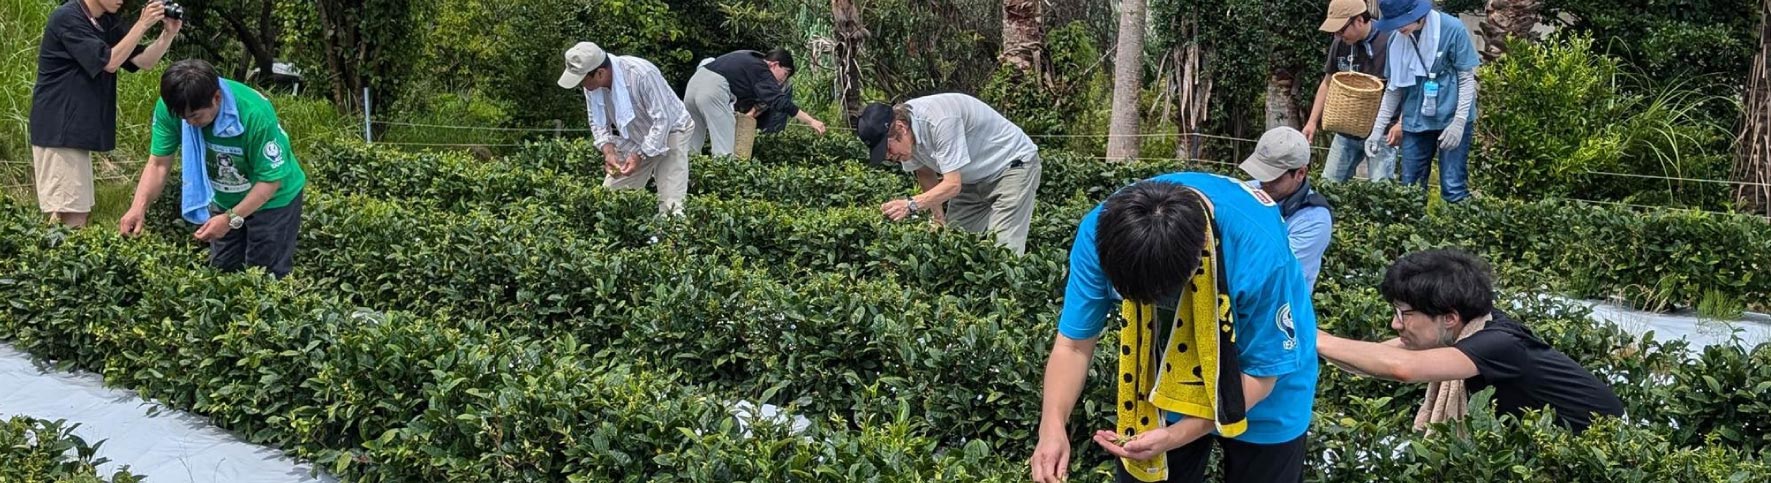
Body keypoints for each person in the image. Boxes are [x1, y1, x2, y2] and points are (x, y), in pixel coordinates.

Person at [1030, 173, 1318, 482]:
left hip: (1265, 386)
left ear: (1197, 264)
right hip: (1169, 380)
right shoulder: (1099, 236)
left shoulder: (1258, 253)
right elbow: (1073, 346)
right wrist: (1052, 426)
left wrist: (1174, 436)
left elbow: (1262, 375)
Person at [1316, 249, 1626, 433]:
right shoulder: (1468, 327)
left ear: (1449, 317)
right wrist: (1310, 341)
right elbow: (1377, 360)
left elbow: (1403, 368)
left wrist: (1309, 338)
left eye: (1404, 314)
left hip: (1597, 439)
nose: (1394, 324)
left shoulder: (1498, 344)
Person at [119, 60, 307, 279]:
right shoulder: (173, 107)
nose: (188, 124)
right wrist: (138, 207)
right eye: (183, 118)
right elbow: (158, 164)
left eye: (195, 116)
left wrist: (230, 219)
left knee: (265, 277)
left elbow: (270, 182)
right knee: (222, 273)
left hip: (275, 200)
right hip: (222, 196)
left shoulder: (254, 114)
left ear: (217, 98)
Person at [29, 0, 181, 227]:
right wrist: (142, 24)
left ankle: (53, 259)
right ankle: (56, 262)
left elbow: (142, 61)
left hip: (76, 132)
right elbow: (109, 61)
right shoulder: (68, 18)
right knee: (71, 215)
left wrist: (167, 35)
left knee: (70, 213)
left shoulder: (105, 21)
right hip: (59, 129)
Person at [854, 94, 1041, 255]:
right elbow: (925, 173)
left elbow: (952, 184)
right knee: (956, 247)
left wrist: (910, 205)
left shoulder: (940, 120)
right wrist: (938, 219)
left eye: (887, 148)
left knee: (1003, 254)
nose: (889, 156)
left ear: (901, 128)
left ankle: (1009, 295)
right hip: (972, 177)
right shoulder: (906, 142)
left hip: (1012, 166)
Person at [556, 42, 694, 216]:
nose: (582, 85)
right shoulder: (591, 86)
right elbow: (597, 121)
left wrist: (640, 155)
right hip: (635, 135)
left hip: (673, 130)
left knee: (670, 202)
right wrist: (608, 151)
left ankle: (671, 238)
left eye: (583, 80)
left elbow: (663, 119)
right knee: (610, 198)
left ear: (600, 73)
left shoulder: (641, 74)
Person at [1366, 0, 1481, 202]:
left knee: (1453, 187)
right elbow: (1393, 90)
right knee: (1410, 188)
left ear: (1418, 14)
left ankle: (1458, 231)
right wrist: (1376, 132)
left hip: (1451, 116)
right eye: (1394, 22)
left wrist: (1459, 122)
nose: (1399, 27)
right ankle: (1411, 232)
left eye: (1403, 21)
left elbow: (1466, 78)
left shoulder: (1452, 29)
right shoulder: (1396, 40)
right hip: (1416, 119)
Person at [1303, 0, 1396, 182]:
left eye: (1341, 29)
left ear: (1360, 20)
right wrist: (1312, 122)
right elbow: (1327, 83)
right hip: (1346, 129)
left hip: (1382, 132)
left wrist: (1400, 123)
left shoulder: (1390, 40)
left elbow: (1404, 87)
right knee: (1328, 184)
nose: (1338, 34)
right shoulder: (1340, 43)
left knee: (1381, 191)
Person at [1238, 127, 1332, 291]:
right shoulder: (1248, 190)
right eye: (1260, 172)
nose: (1264, 182)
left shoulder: (1314, 220)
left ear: (1300, 173)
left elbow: (1275, 273)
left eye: (1272, 177)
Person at [684, 48, 827, 156]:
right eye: (785, 73)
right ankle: (721, 190)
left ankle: (690, 183)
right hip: (713, 89)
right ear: (774, 65)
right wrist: (811, 121)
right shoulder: (761, 69)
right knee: (724, 148)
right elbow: (779, 101)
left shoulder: (749, 57)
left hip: (694, 84)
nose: (783, 80)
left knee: (691, 144)